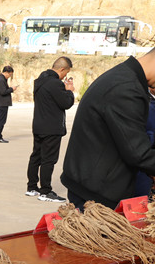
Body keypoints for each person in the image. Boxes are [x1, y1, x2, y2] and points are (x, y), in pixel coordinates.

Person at [61, 49, 155, 210]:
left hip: (95, 183)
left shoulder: (124, 77)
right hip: (95, 195)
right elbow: (138, 152)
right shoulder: (125, 88)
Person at [25, 57, 75, 202]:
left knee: (36, 156)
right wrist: (70, 91)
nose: (65, 76)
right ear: (62, 69)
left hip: (39, 124)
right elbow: (65, 103)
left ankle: (32, 187)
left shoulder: (40, 80)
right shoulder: (55, 83)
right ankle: (45, 191)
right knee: (49, 159)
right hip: (52, 127)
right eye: (65, 73)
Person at [0, 65, 17, 143]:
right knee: (1, 121)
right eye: (9, 74)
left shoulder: (2, 79)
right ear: (6, 72)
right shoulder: (1, 80)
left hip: (1, 103)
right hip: (2, 103)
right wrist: (11, 89)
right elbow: (3, 92)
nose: (10, 76)